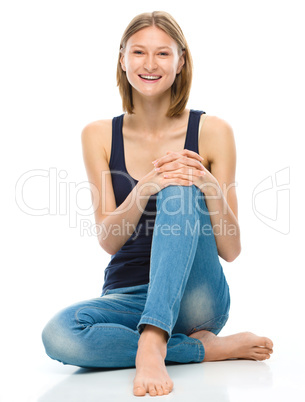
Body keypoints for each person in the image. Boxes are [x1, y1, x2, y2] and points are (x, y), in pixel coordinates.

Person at [42, 10, 273, 397]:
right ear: (122, 59)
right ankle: (199, 349)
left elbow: (231, 250)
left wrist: (208, 186)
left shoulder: (213, 131)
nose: (150, 64)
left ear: (181, 61)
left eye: (163, 54)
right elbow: (108, 240)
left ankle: (153, 341)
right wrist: (143, 188)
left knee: (179, 185)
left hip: (196, 298)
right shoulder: (98, 135)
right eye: (138, 53)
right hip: (129, 295)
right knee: (59, 336)